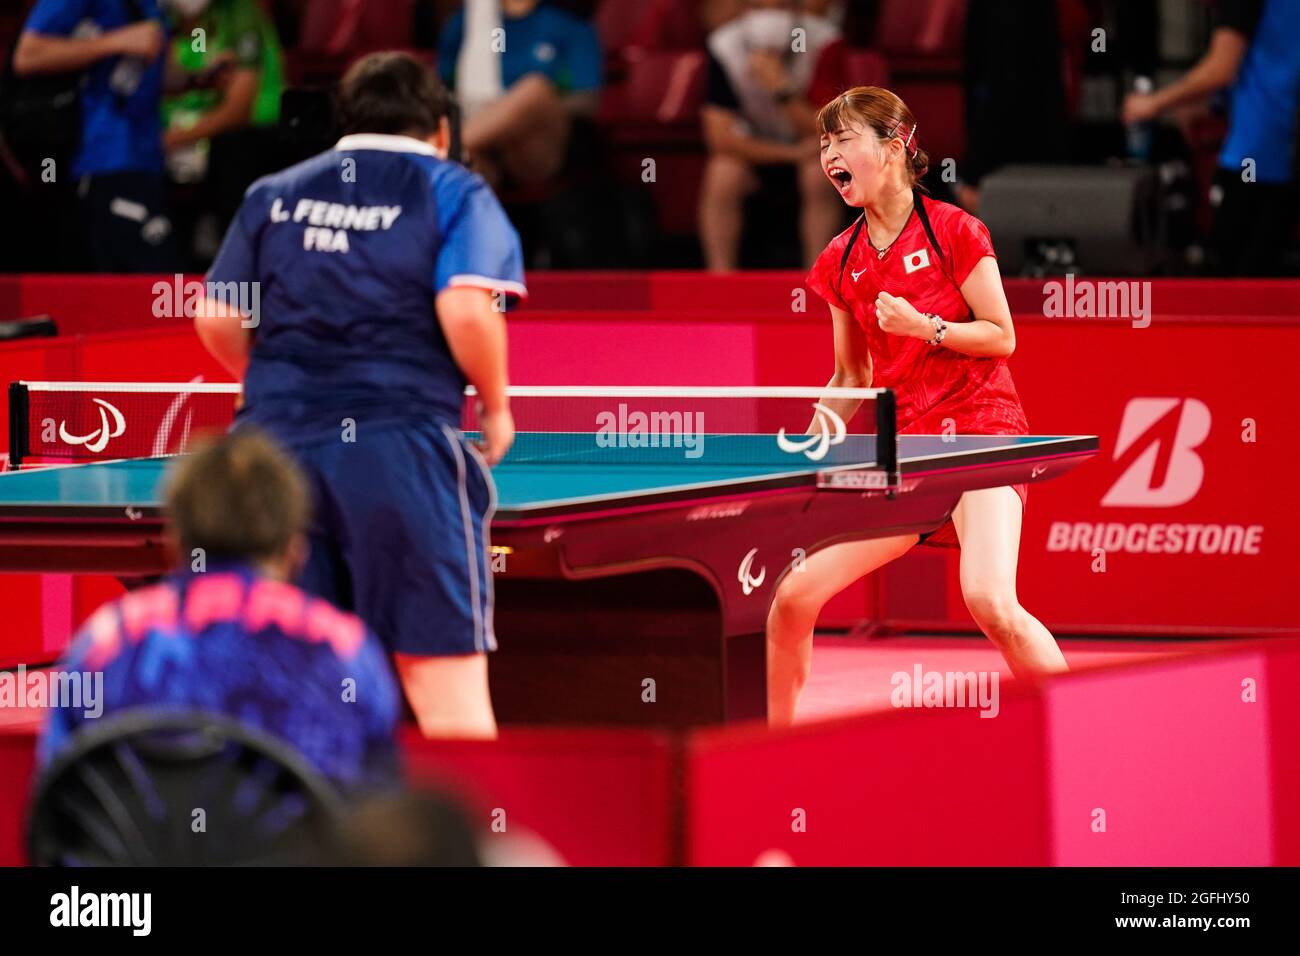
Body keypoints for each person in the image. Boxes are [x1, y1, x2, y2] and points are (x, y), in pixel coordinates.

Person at [195, 52, 524, 739]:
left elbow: (218, 315)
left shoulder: (273, 193)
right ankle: (472, 844)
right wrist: (496, 406)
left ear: (343, 121)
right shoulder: (456, 190)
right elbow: (466, 308)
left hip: (270, 460)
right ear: (440, 128)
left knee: (279, 687)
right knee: (444, 692)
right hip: (398, 448)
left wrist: (272, 387)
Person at [766, 86, 1069, 727]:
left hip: (982, 435)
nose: (830, 154)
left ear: (896, 144)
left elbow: (1001, 335)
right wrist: (814, 435)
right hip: (908, 449)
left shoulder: (955, 229)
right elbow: (852, 371)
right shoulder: (838, 260)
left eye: (843, 139)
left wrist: (923, 325)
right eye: (824, 144)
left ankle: (1080, 724)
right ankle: (770, 746)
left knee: (989, 599)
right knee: (792, 597)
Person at [38, 430, 401, 792]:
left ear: (174, 541)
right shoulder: (344, 648)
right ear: (296, 549)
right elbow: (378, 805)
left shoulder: (107, 642)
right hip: (299, 849)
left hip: (143, 850)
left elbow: (57, 786)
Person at [1121, 0, 1300, 276]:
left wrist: (1154, 103)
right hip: (1275, 150)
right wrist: (1206, 106)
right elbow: (1263, 68)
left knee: (1234, 283)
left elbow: (1222, 68)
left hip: (1258, 157)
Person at [12, 0, 179, 272]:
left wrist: (198, 80)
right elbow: (27, 55)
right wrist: (117, 41)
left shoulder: (155, 4)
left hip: (148, 159)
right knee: (158, 285)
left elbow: (151, 74)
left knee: (157, 285)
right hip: (101, 159)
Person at [699, 0, 842, 272]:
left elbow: (830, 127)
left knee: (820, 173)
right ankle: (720, 279)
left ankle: (817, 278)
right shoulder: (724, 45)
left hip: (813, 149)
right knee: (722, 171)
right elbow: (719, 138)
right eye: (758, 6)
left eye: (780, 5)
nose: (769, 15)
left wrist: (782, 89)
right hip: (756, 150)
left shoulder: (824, 41)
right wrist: (789, 154)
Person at [160, 0, 287, 258]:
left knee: (234, 150)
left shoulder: (240, 14)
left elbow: (238, 112)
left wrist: (169, 140)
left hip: (248, 141)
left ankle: (227, 253)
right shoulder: (164, 17)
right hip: (177, 142)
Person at [438, 0, 602, 189]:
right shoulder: (465, 24)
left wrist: (510, 113)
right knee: (462, 166)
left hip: (535, 143)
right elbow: (443, 85)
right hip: (478, 138)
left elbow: (587, 100)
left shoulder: (569, 26)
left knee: (535, 89)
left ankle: (439, 148)